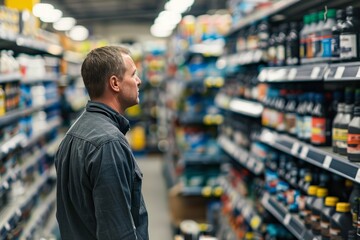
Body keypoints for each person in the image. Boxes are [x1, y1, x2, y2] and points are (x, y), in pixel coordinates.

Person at [55, 46, 148, 240]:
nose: (139, 81)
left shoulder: (73, 133)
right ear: (115, 83)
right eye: (134, 74)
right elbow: (118, 233)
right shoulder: (109, 143)